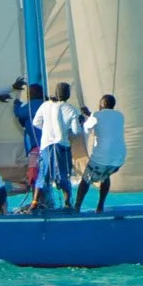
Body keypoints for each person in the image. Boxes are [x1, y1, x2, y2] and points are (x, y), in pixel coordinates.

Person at [28, 83, 83, 213]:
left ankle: (35, 202)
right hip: (62, 146)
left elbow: (36, 122)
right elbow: (76, 131)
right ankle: (68, 203)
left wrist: (47, 130)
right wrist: (80, 122)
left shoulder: (45, 105)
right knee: (64, 175)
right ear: (68, 95)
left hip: (46, 145)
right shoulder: (72, 110)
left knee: (43, 173)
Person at [75, 95, 127, 213]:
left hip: (101, 158)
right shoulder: (120, 116)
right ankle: (100, 207)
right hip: (119, 159)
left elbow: (87, 129)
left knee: (86, 179)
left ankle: (76, 207)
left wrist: (85, 120)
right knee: (105, 176)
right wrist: (90, 115)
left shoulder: (96, 115)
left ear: (102, 104)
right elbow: (105, 123)